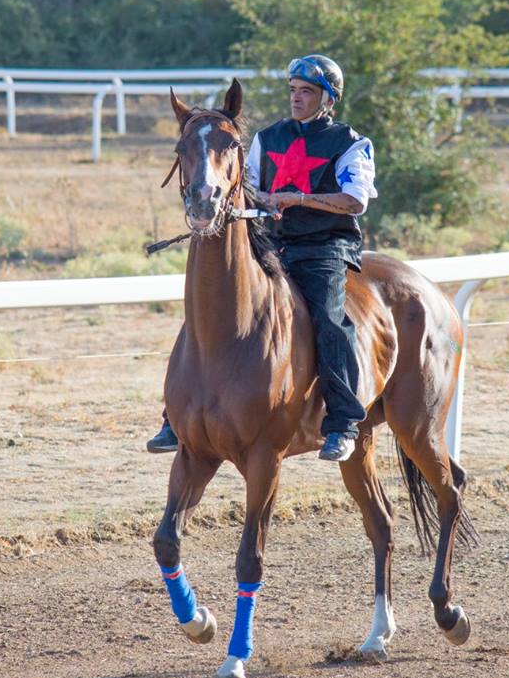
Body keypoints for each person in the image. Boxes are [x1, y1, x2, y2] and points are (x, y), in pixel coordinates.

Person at [147, 53, 377, 461]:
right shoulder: (267, 138)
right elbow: (242, 186)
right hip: (272, 243)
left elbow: (355, 200)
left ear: (328, 100)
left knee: (327, 316)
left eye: (307, 92)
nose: (297, 99)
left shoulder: (349, 142)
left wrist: (298, 198)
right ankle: (175, 416)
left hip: (324, 248)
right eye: (293, 91)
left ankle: (342, 422)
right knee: (210, 310)